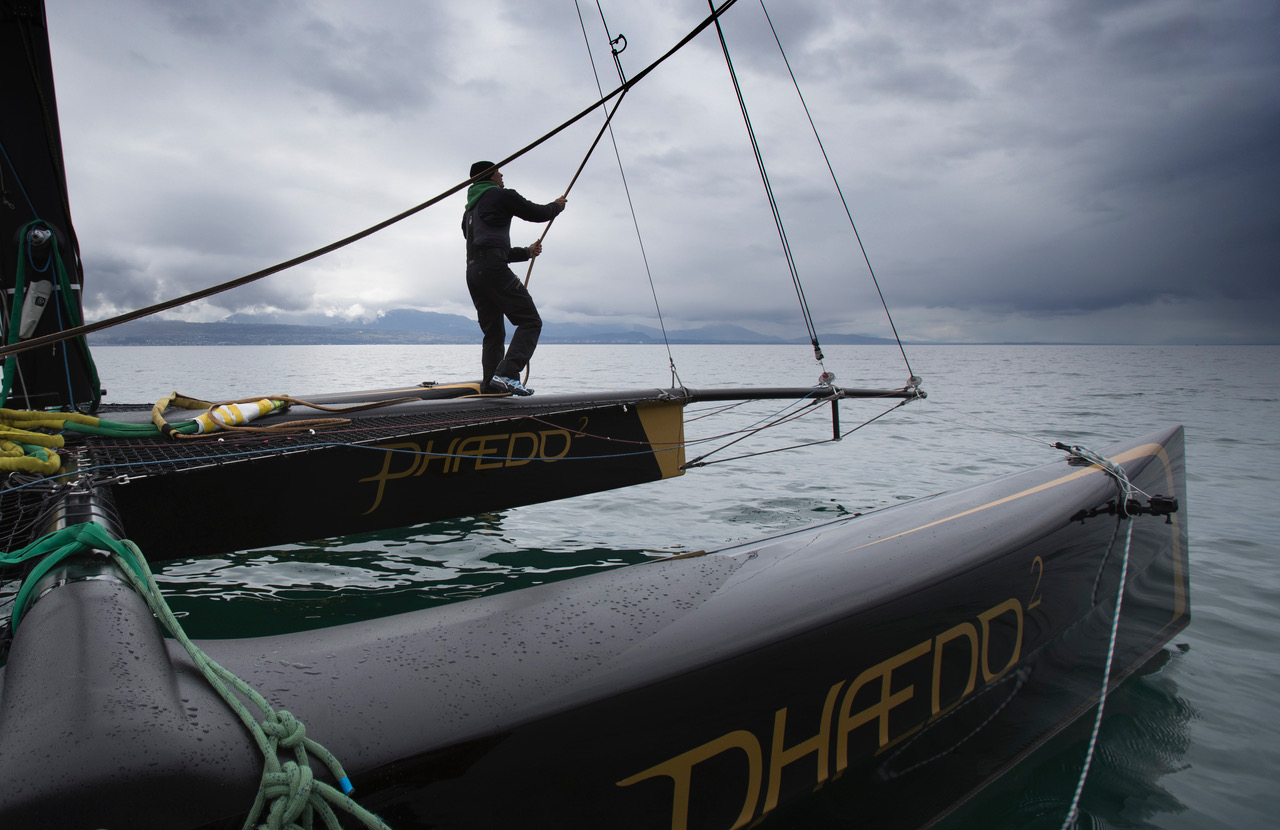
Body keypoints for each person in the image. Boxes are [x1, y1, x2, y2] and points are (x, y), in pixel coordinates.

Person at [462, 161, 566, 396]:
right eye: (498, 171)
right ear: (490, 175)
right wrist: (557, 207)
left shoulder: (468, 212)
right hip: (493, 270)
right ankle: (508, 374)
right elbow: (537, 213)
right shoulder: (501, 195)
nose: (502, 175)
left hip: (474, 273)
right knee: (530, 321)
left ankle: (491, 386)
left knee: (493, 333)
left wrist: (526, 252)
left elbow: (488, 247)